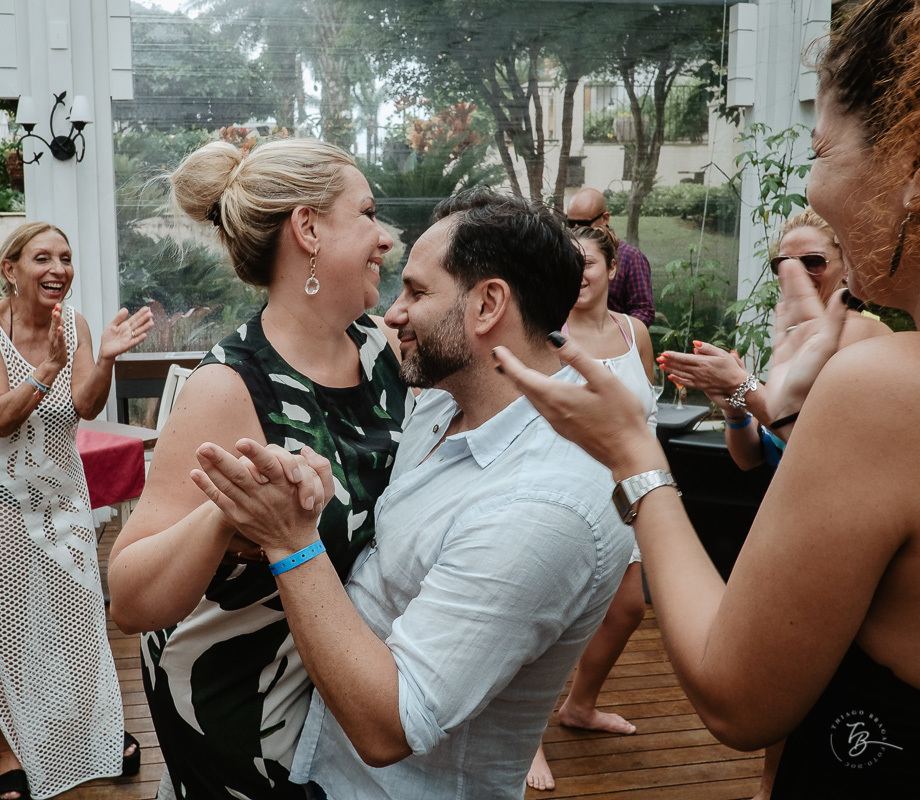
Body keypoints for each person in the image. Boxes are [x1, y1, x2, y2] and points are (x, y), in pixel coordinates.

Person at [493, 1, 920, 796]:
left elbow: (736, 698)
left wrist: (634, 453)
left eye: (821, 150)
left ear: (910, 172)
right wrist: (760, 403)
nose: (813, 190)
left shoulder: (888, 384)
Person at [191, 189, 632, 798]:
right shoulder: (441, 405)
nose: (392, 314)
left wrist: (289, 540)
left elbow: (390, 727)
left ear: (488, 304)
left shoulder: (545, 505)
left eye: (418, 293)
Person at [106, 138, 409, 799]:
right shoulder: (229, 386)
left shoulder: (383, 349)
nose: (383, 238)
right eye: (366, 213)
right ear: (308, 228)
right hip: (241, 702)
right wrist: (229, 514)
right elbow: (130, 599)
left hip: (343, 692)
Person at [0, 222, 153, 800]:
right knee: (9, 617)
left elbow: (85, 406)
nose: (59, 269)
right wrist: (46, 369)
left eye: (66, 258)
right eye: (43, 258)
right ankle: (13, 751)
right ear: (10, 269)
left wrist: (106, 358)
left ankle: (94, 729)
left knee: (78, 607)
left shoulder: (76, 323)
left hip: (62, 488)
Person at [527, 224, 658, 792]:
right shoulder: (544, 333)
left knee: (628, 609)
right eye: (569, 263)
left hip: (626, 493)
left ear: (612, 268)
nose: (580, 273)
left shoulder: (634, 333)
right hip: (561, 494)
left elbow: (645, 414)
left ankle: (580, 705)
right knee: (543, 621)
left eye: (588, 262)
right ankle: (524, 738)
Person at [660, 208, 890, 474]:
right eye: (783, 264)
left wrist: (740, 384)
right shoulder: (799, 336)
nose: (797, 273)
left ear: (847, 267)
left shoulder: (859, 331)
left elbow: (815, 442)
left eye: (813, 261)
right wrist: (735, 411)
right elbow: (753, 458)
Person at [565, 188, 654, 326]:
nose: (576, 229)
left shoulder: (631, 257)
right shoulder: (562, 251)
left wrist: (617, 334)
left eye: (584, 223)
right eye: (570, 224)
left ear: (605, 218)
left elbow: (643, 310)